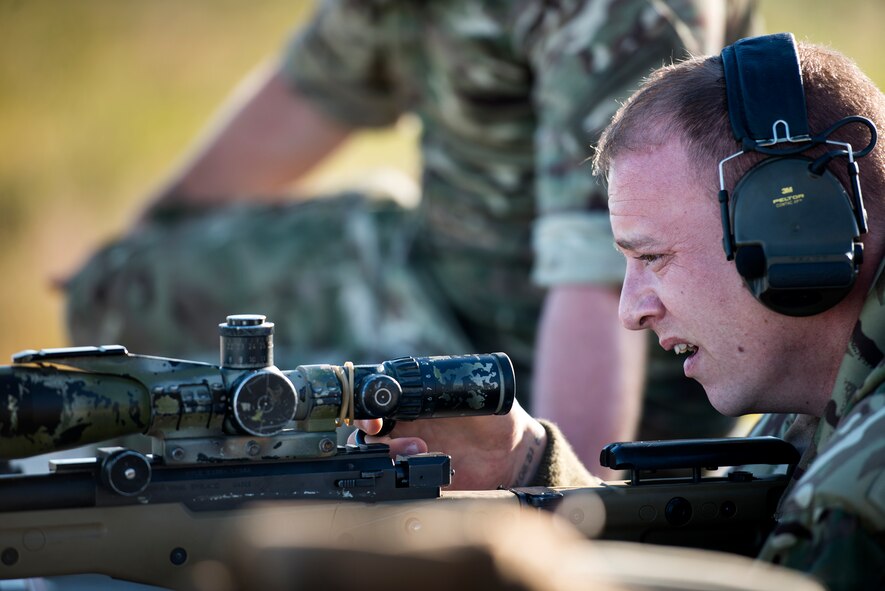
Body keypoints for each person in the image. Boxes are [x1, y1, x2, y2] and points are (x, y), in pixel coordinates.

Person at [64, 0, 756, 475]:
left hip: (596, 359)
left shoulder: (620, 12)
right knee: (126, 292)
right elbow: (313, 92)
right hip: (436, 274)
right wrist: (140, 253)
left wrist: (554, 507)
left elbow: (607, 283)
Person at [354, 34, 885, 589]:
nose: (631, 312)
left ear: (796, 228)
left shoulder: (859, 490)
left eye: (654, 257)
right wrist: (524, 468)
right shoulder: (818, 401)